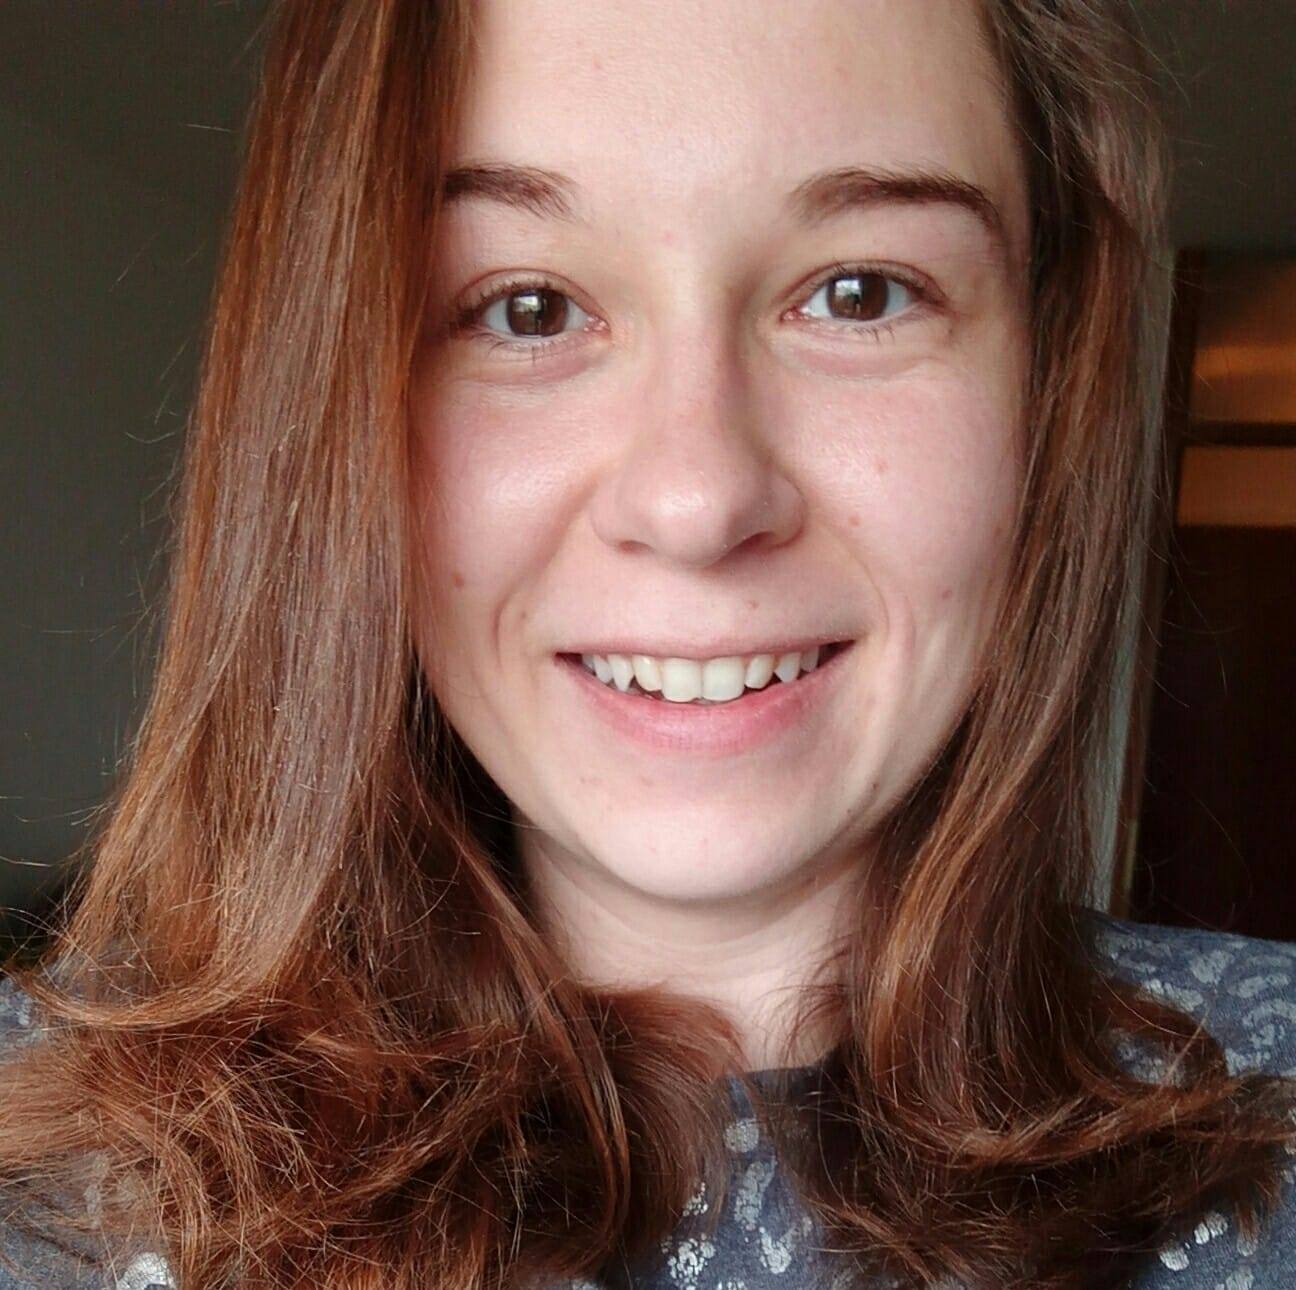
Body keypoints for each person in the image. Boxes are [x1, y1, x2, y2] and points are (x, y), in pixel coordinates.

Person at [1, 0, 1294, 1286]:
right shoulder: (46, 1188)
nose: (697, 499)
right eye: (526, 308)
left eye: (860, 293)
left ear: (1044, 381)